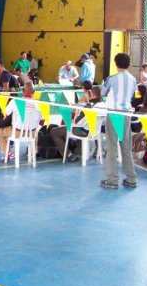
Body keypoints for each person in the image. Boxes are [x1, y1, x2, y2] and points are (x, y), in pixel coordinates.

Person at [100, 53, 138, 189]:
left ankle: (112, 180)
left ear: (116, 64)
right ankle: (131, 178)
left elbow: (102, 93)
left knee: (111, 148)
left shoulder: (112, 78)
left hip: (114, 114)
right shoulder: (133, 79)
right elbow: (133, 95)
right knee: (126, 148)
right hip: (126, 114)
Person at [51, 85, 105, 162]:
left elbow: (78, 122)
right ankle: (77, 152)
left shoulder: (89, 106)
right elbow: (103, 123)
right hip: (96, 133)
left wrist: (74, 120)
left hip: (84, 132)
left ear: (92, 94)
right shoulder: (104, 106)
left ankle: (68, 154)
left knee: (54, 131)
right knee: (79, 129)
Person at [0, 82, 39, 161]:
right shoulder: (39, 104)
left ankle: (8, 154)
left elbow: (6, 113)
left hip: (17, 133)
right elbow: (41, 122)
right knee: (36, 131)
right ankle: (32, 153)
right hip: (32, 133)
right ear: (34, 92)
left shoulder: (14, 102)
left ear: (22, 91)